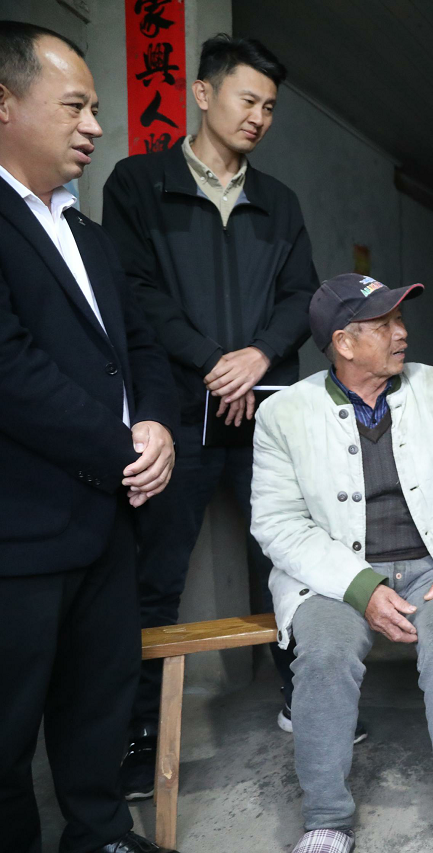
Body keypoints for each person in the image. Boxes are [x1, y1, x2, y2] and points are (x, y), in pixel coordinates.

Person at [100, 34, 322, 798]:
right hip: (175, 410)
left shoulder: (279, 201)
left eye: (270, 106)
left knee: (290, 561)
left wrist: (257, 356)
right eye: (247, 99)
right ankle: (138, 735)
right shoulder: (139, 184)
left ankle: (305, 698)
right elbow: (134, 291)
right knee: (155, 575)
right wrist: (212, 361)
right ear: (203, 93)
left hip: (267, 411)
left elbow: (302, 295)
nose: (259, 116)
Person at [249, 274, 433, 853]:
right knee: (324, 654)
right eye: (385, 324)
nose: (402, 333)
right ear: (344, 343)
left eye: (400, 319)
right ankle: (326, 821)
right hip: (335, 576)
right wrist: (361, 586)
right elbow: (278, 522)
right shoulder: (284, 414)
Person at [0, 21, 180, 853]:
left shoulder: (87, 233)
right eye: (75, 106)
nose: (95, 127)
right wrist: (123, 449)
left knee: (98, 697)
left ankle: (100, 832)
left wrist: (158, 425)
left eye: (96, 108)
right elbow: (11, 369)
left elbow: (141, 347)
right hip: (21, 527)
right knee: (9, 724)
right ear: (5, 103)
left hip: (109, 517)